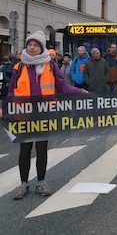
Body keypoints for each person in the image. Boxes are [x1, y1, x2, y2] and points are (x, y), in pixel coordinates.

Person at [3, 31, 87, 199]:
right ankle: (24, 183)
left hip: (44, 114)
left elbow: (61, 86)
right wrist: (6, 109)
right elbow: (11, 92)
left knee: (42, 149)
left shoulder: (49, 65)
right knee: (24, 150)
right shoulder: (18, 67)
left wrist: (79, 91)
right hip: (24, 114)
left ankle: (41, 182)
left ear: (41, 48)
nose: (32, 48)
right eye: (29, 45)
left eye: (35, 45)